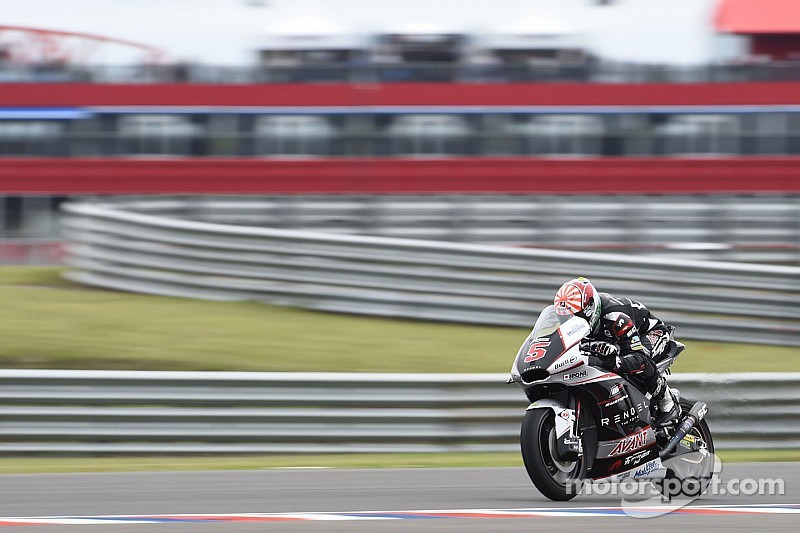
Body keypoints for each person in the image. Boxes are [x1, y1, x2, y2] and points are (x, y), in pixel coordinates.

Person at [553, 276, 680, 426]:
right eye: (564, 318)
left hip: (649, 333)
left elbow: (639, 357)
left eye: (575, 317)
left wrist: (617, 361)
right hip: (614, 340)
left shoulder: (615, 317)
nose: (569, 323)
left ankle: (667, 401)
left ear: (590, 309)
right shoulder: (577, 324)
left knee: (634, 362)